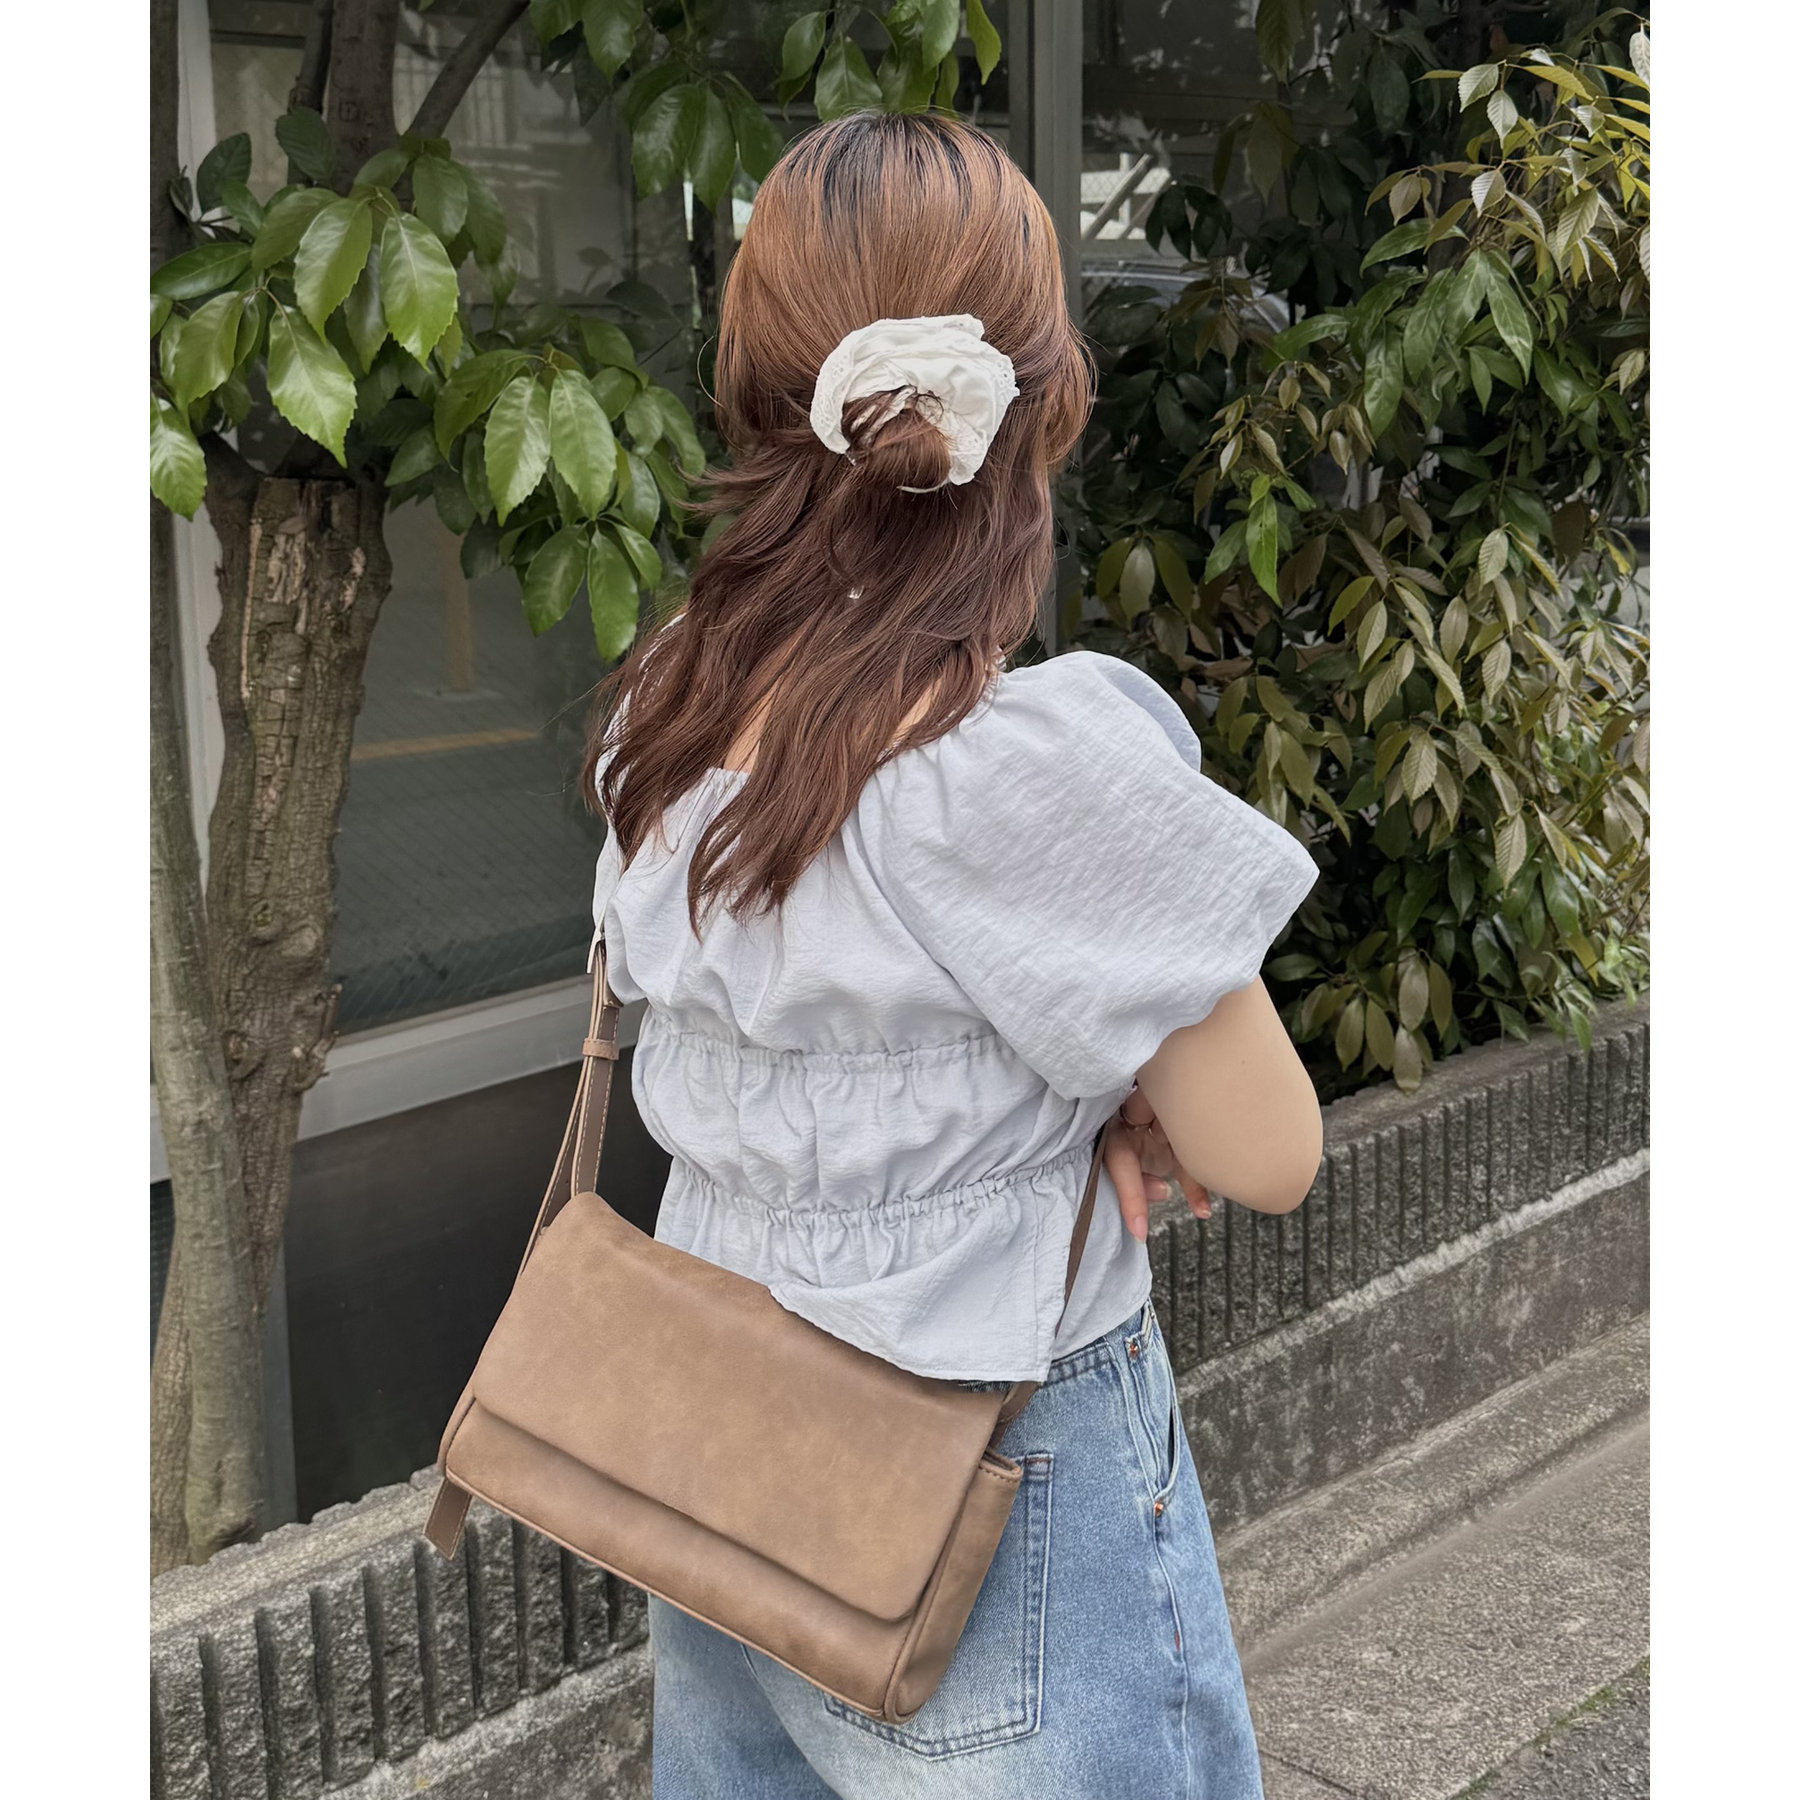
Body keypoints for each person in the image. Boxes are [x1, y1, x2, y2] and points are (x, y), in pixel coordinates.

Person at [583, 109, 1323, 1800]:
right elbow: (1269, 1151)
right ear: (1038, 403)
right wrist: (1122, 1078)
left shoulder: (669, 724)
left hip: (712, 1452)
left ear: (758, 395)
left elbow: (832, 1038)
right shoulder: (1018, 769)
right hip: (990, 1480)